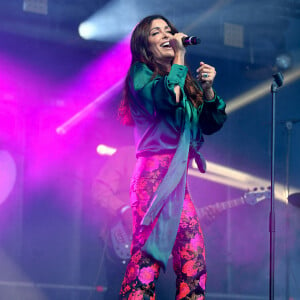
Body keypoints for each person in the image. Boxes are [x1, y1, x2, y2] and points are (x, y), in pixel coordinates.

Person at [117, 15, 227, 300]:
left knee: (193, 258)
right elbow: (166, 98)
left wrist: (208, 90)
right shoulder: (140, 75)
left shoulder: (182, 83)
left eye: (169, 30)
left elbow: (210, 124)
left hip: (179, 181)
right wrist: (179, 55)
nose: (167, 34)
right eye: (157, 32)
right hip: (152, 179)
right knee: (148, 260)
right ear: (146, 46)